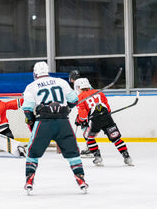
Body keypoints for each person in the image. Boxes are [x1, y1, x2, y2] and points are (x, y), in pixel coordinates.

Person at [22, 61, 88, 193]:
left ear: (35, 73)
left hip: (44, 122)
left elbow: (28, 110)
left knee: (32, 152)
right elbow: (74, 100)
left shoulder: (31, 86)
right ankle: (80, 179)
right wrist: (67, 108)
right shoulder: (61, 82)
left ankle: (29, 179)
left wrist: (31, 121)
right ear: (48, 71)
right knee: (73, 152)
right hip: (63, 121)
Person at [75, 78, 133, 166]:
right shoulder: (99, 92)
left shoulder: (80, 98)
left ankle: (97, 157)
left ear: (79, 88)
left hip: (95, 120)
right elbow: (108, 107)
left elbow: (83, 116)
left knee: (89, 137)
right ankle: (127, 156)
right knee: (115, 137)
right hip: (107, 117)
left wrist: (79, 121)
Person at [69, 69, 93, 157]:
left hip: (86, 108)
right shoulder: (84, 81)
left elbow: (78, 97)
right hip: (90, 107)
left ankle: (90, 147)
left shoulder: (77, 83)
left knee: (85, 127)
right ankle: (90, 146)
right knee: (86, 128)